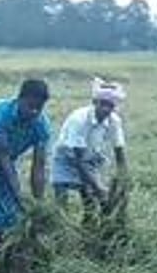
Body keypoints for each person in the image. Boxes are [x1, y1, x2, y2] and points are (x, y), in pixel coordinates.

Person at [0, 79, 53, 244]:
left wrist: (37, 203)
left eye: (39, 108)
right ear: (19, 99)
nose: (34, 112)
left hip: (6, 163)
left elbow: (38, 166)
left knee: (6, 214)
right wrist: (19, 195)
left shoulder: (42, 126)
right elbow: (2, 156)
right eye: (30, 106)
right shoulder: (0, 114)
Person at [51, 78, 128, 220]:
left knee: (90, 201)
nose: (106, 109)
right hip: (66, 155)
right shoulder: (78, 119)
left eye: (110, 105)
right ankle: (59, 227)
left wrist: (123, 182)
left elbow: (120, 153)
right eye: (103, 104)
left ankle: (90, 228)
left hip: (91, 156)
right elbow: (79, 160)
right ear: (95, 102)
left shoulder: (114, 121)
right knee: (61, 199)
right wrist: (99, 188)